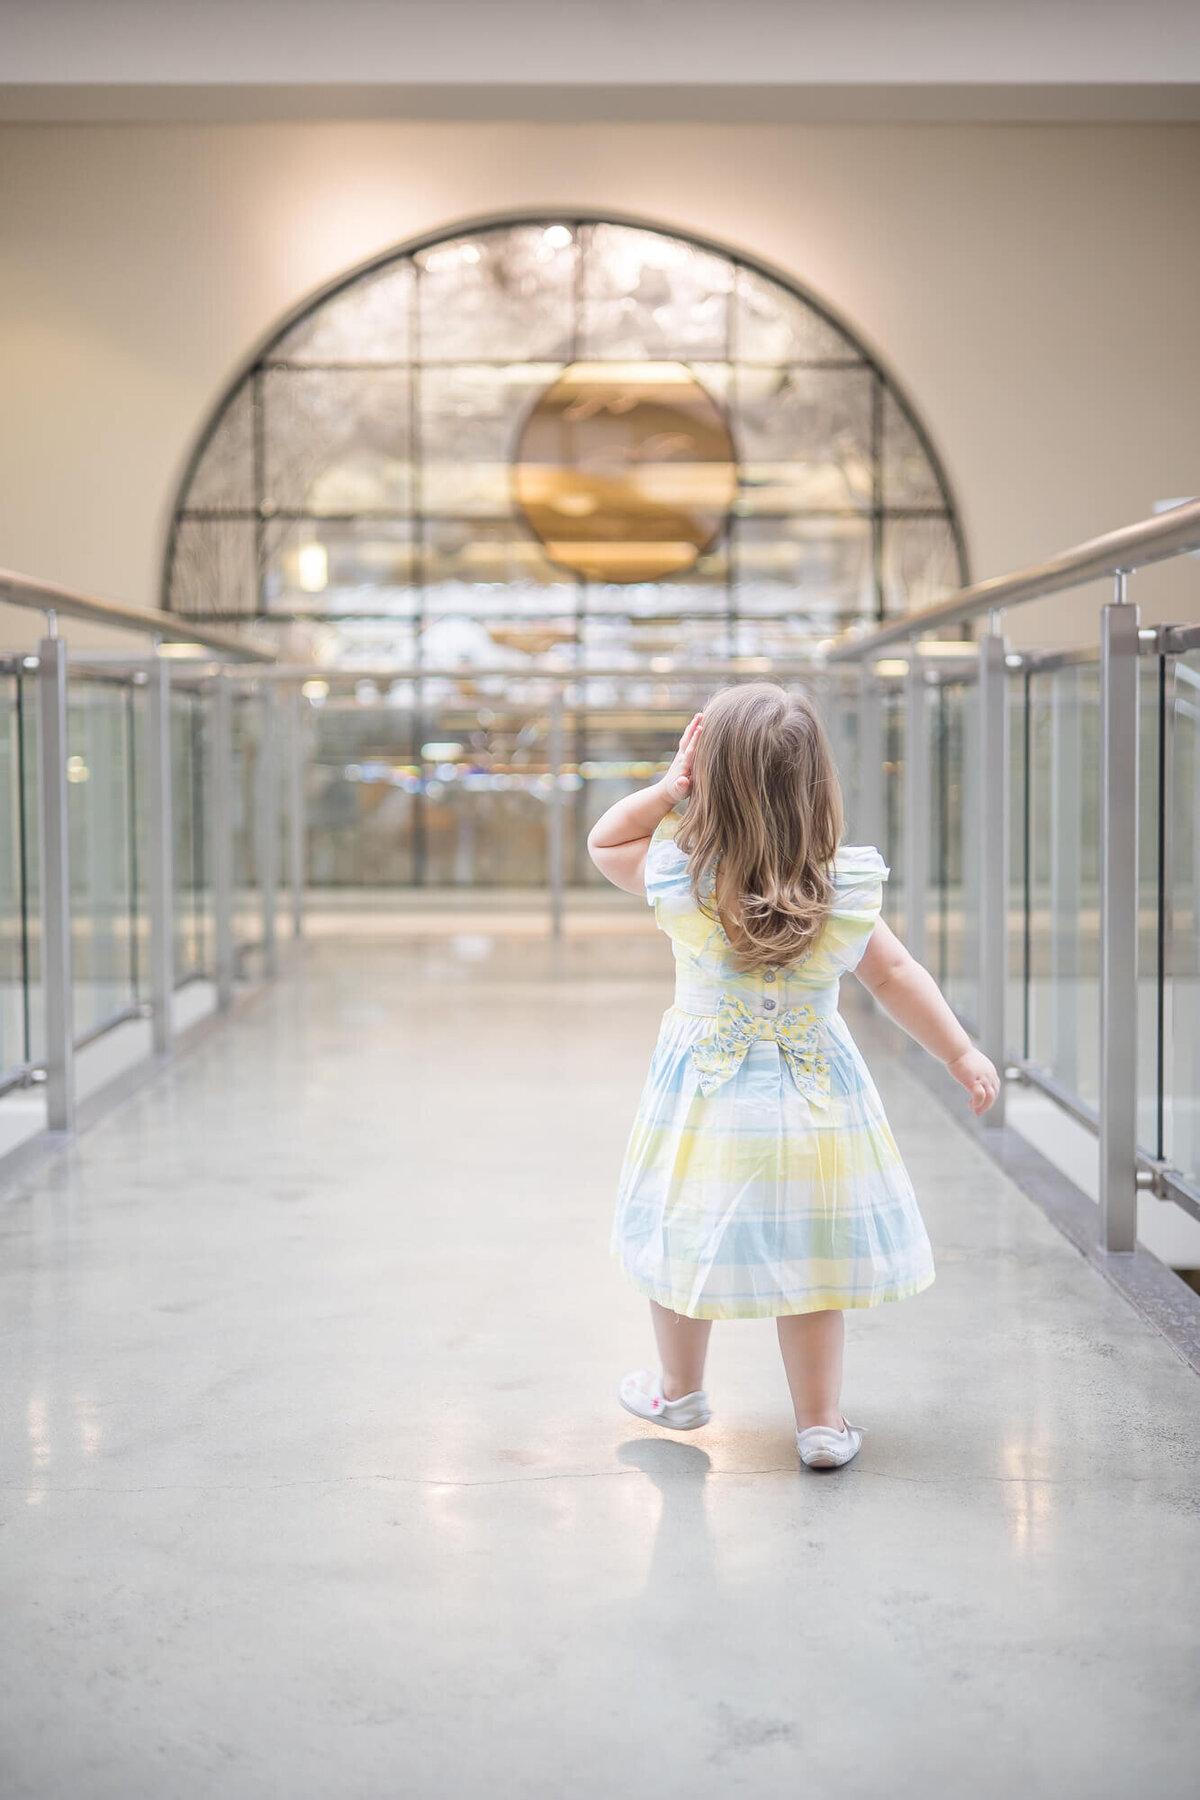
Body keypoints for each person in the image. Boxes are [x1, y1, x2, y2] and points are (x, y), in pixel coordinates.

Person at [587, 683, 999, 1471]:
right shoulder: (840, 889)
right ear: (817, 785)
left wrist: (668, 788)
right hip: (816, 1103)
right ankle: (819, 1424)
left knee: (683, 1236)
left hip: (704, 1100)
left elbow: (607, 844)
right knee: (815, 1263)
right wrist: (959, 1052)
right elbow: (898, 976)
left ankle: (679, 1390)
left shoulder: (682, 876)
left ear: (711, 779)